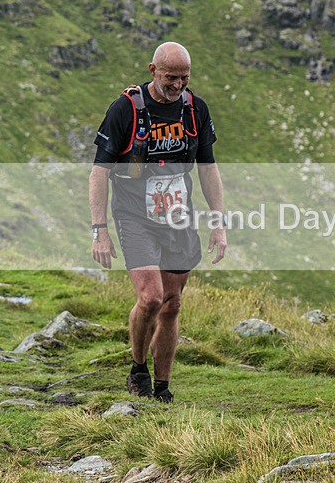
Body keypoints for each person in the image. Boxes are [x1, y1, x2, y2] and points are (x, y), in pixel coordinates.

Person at [88, 42, 227, 402]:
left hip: (178, 216)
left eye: (184, 77)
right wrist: (99, 230)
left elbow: (208, 168)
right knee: (151, 298)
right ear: (153, 70)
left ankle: (162, 387)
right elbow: (99, 173)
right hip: (135, 216)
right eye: (170, 77)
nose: (178, 84)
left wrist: (218, 222)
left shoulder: (195, 109)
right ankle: (138, 367)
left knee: (173, 303)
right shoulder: (126, 109)